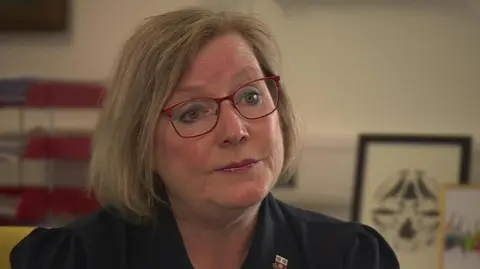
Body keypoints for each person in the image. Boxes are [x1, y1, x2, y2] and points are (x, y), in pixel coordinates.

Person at [10, 6, 399, 269]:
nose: (235, 130)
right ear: (141, 143)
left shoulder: (351, 257)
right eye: (192, 112)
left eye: (250, 96)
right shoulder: (71, 260)